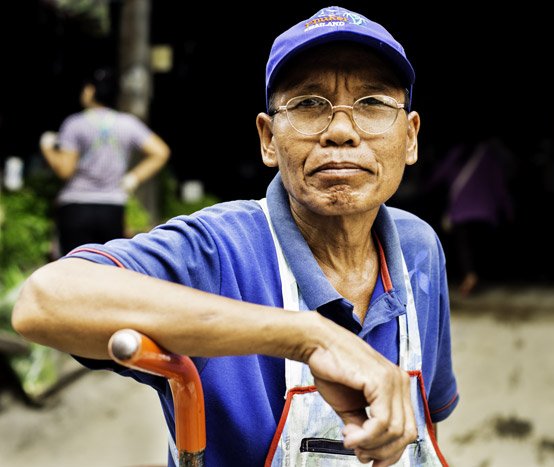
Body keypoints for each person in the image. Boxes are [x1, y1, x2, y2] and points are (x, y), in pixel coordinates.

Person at [13, 7, 458, 466]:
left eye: (372, 104)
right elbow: (44, 301)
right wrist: (307, 336)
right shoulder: (222, 249)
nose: (342, 131)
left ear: (410, 137)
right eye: (308, 104)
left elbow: (424, 427)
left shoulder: (418, 248)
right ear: (268, 139)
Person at [39, 68, 170, 255]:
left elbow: (65, 171)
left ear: (91, 91)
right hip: (113, 208)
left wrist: (47, 149)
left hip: (76, 207)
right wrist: (132, 178)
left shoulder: (75, 123)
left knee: (75, 272)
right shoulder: (128, 123)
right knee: (108, 270)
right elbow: (161, 152)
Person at [430, 139, 513, 295]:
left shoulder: (455, 155)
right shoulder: (489, 156)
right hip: (485, 212)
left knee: (464, 246)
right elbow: (499, 185)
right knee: (481, 246)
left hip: (461, 212)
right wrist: (508, 210)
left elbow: (437, 178)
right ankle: (478, 276)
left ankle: (469, 275)